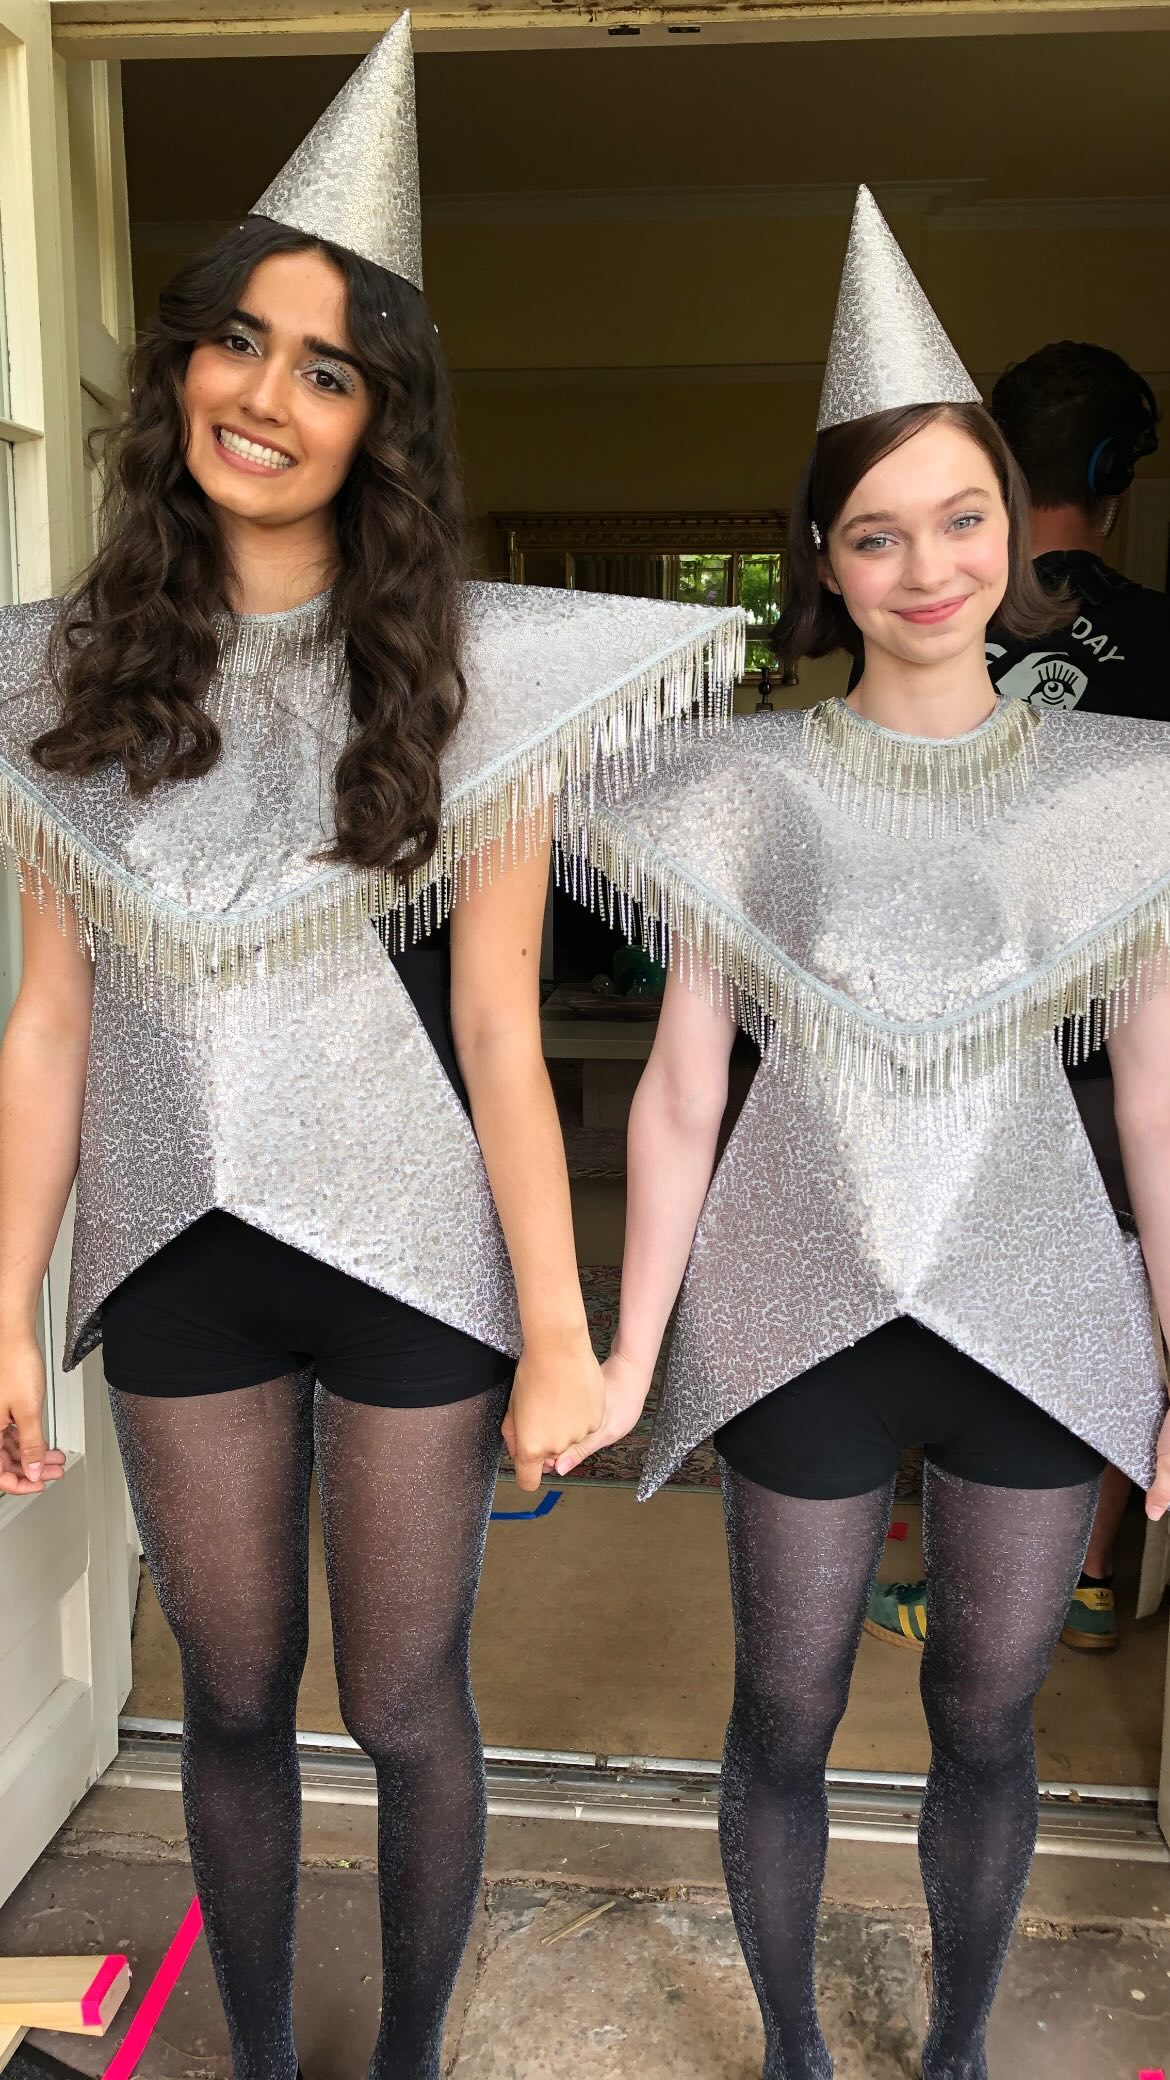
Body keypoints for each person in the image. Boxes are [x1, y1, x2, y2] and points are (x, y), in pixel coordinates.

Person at [0, 21, 741, 2080]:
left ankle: (407, 2057)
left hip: (417, 1256)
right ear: (183, 370)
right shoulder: (68, 681)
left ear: (378, 424)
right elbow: (49, 1016)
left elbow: (501, 1026)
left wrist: (565, 1333)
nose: (267, 394)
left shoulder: (465, 683)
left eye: (326, 370)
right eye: (241, 343)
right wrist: (3, 1304)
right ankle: (264, 2056)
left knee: (405, 1704)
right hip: (177, 1257)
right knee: (229, 1701)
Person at [553, 189, 1170, 2079]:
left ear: (1016, 527)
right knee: (783, 1718)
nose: (925, 565)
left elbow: (1157, 1093)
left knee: (988, 1721)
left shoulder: (1125, 785)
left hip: (1039, 1306)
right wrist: (629, 1350)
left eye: (961, 518)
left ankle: (955, 2052)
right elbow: (680, 1091)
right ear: (823, 557)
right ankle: (796, 2057)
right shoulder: (742, 783)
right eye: (877, 531)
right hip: (792, 1302)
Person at [868, 339, 1168, 1656]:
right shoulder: (1162, 642)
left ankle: (981, 1584)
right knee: (1106, 1309)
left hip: (952, 1051)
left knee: (966, 1307)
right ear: (1113, 480)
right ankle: (1079, 1574)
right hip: (1118, 1052)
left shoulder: (932, 623)